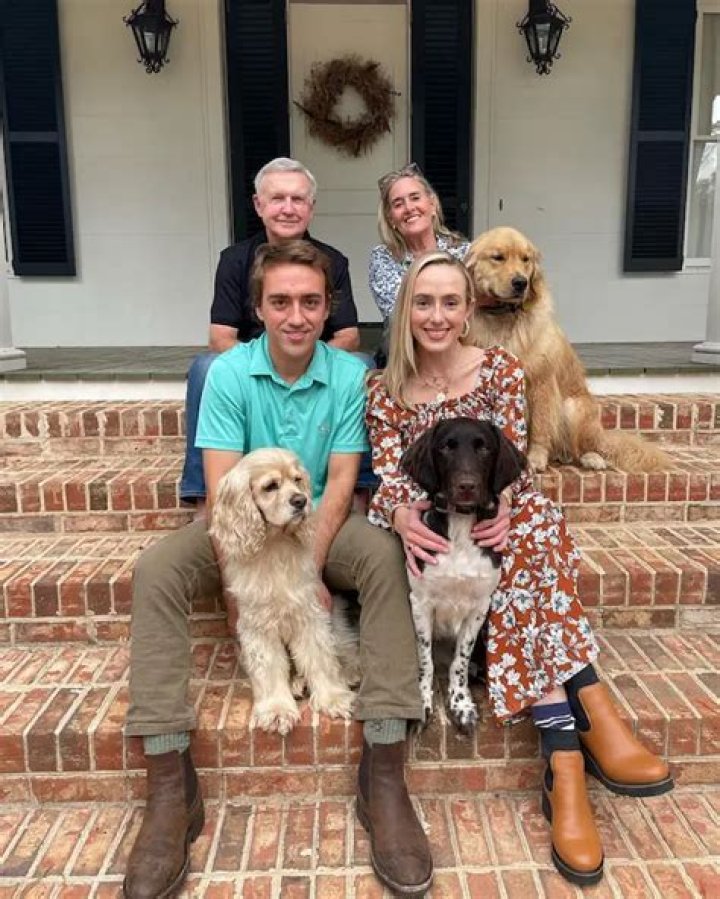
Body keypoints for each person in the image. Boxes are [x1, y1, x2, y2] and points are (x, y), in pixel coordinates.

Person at [123, 241, 432, 899]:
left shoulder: (349, 374)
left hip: (318, 523)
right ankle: (169, 781)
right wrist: (239, 587)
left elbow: (342, 480)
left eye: (311, 302)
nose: (297, 315)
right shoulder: (229, 373)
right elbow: (220, 490)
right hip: (241, 526)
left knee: (382, 555)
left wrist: (308, 570)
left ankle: (383, 766)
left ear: (328, 308)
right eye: (281, 301)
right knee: (156, 571)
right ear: (259, 309)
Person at [365, 252, 673, 888]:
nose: (437, 315)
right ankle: (588, 717)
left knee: (530, 528)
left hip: (498, 510)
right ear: (405, 311)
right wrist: (398, 513)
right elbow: (390, 475)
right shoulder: (385, 387)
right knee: (525, 539)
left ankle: (565, 752)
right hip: (428, 522)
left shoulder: (500, 370)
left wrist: (503, 506)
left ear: (469, 310)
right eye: (424, 302)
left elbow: (513, 462)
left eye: (451, 302)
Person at [180, 157, 361, 507]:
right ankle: (203, 494)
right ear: (258, 205)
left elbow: (349, 335)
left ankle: (359, 489)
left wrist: (308, 361)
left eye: (298, 199)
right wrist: (261, 367)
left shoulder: (332, 261)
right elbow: (220, 336)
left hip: (314, 358)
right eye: (278, 198)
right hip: (252, 363)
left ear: (311, 208)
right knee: (206, 368)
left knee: (362, 367)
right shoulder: (234, 260)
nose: (288, 208)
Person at [369, 162, 469, 324]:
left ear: (432, 205)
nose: (409, 208)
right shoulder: (383, 257)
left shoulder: (463, 252)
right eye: (398, 204)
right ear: (390, 218)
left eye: (415, 198)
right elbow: (398, 314)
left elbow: (474, 306)